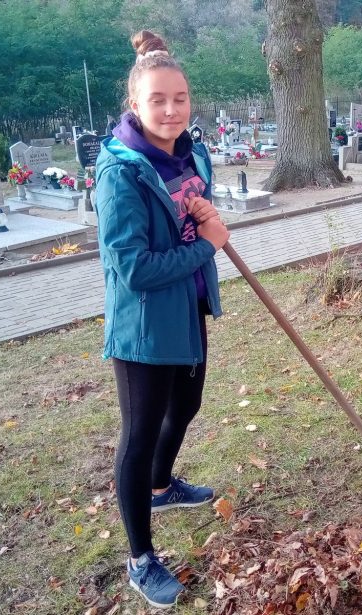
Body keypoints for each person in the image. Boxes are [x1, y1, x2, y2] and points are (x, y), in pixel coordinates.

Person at [95, 29, 230, 609]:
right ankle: (140, 560)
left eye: (180, 98)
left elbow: (192, 210)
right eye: (158, 100)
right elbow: (134, 270)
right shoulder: (120, 172)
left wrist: (204, 214)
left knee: (189, 405)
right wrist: (209, 245)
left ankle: (161, 485)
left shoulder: (191, 151)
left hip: (190, 307)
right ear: (136, 105)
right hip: (144, 327)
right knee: (139, 434)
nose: (171, 109)